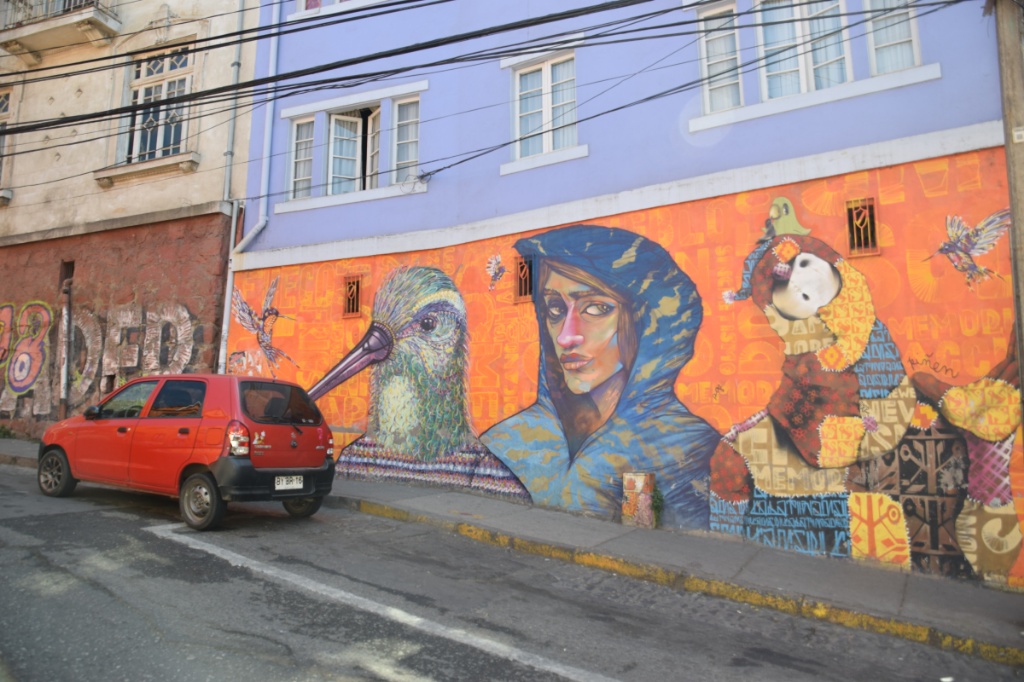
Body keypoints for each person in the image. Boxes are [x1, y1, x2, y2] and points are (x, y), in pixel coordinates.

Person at [481, 225, 720, 529]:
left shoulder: (686, 447)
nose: (566, 337)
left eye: (596, 308)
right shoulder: (505, 441)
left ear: (644, 322)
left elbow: (658, 546)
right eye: (555, 308)